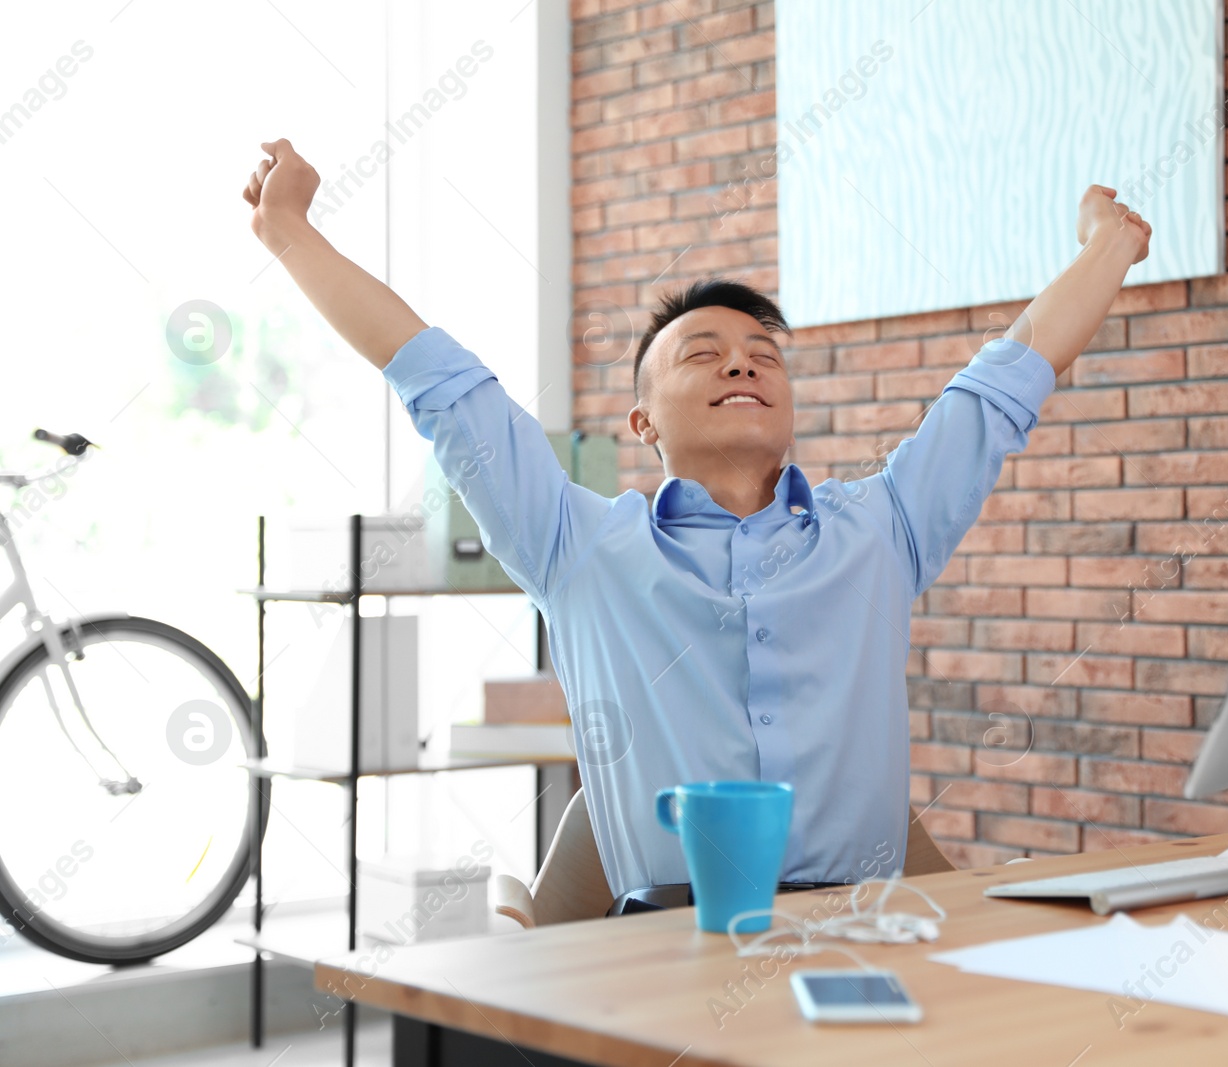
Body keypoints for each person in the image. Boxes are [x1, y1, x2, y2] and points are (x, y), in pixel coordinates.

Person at [242, 138, 1151, 907]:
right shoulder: (578, 547)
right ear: (643, 424)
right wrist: (288, 231)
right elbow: (443, 382)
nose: (741, 366)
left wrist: (1105, 247)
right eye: (702, 355)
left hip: (866, 936)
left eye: (763, 356)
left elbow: (997, 391)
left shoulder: (881, 529)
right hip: (664, 948)